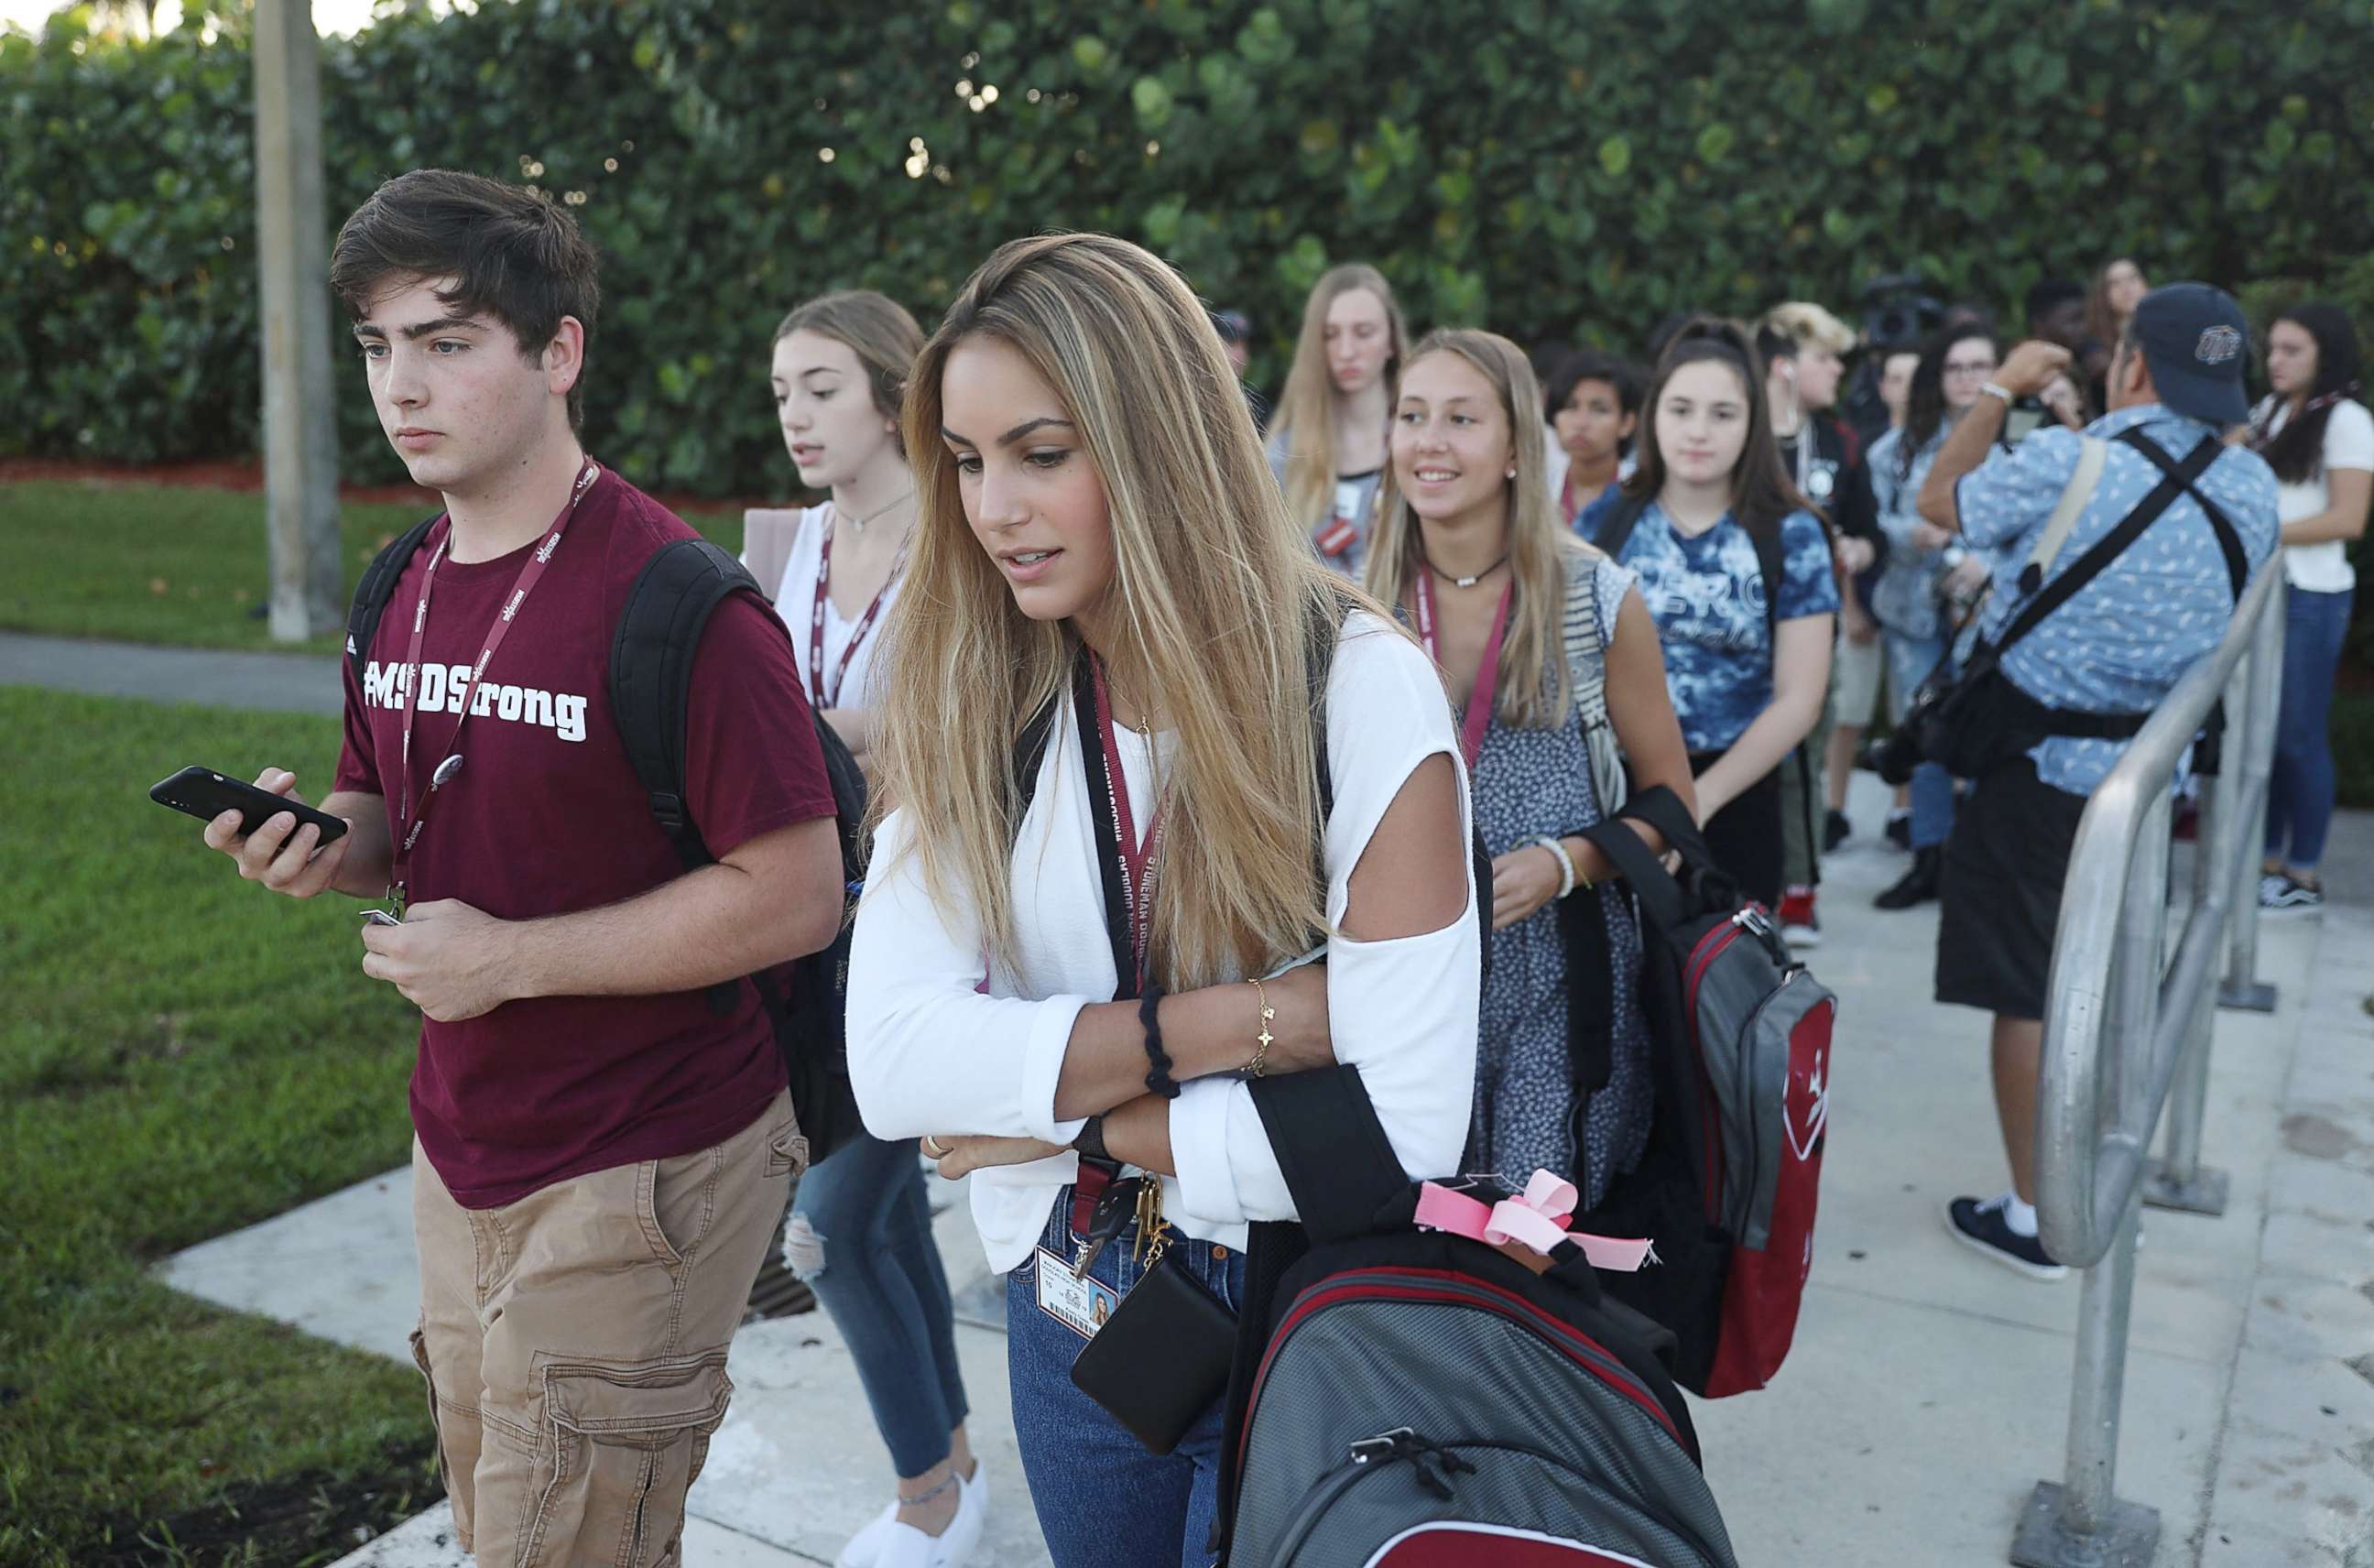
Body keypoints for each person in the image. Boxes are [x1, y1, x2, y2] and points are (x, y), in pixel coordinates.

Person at [198, 169, 843, 1560]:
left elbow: (797, 892)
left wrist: (508, 960)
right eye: (378, 347)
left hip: (647, 1158)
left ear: (559, 352)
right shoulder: (401, 580)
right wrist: (320, 848)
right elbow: (387, 814)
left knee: (561, 1540)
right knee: (519, 1521)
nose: (401, 386)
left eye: (447, 342)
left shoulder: (683, 606)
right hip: (465, 1143)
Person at [844, 233, 1479, 1568]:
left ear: (1159, 441)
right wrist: (1249, 1020)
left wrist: (1062, 1120)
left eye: (1042, 453)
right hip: (1070, 1304)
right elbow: (894, 1067)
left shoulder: (1358, 687)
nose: (993, 508)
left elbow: (1403, 1131)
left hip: (1303, 1299)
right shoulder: (979, 689)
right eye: (964, 462)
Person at [1917, 285, 2279, 1279]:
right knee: (2114, 977)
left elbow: (1938, 501)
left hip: (2035, 772)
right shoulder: (2251, 489)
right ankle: (2100, 1182)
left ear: (2132, 364)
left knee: (2030, 994)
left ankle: (2040, 1215)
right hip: (2150, 783)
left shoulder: (2072, 461)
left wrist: (2000, 387)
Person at [746, 289, 991, 1568]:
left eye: (821, 386)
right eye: (783, 389)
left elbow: (982, 734)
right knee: (884, 1224)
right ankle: (952, 1461)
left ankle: (928, 1503)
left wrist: (816, 739)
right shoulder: (780, 550)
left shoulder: (962, 540)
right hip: (808, 937)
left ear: (895, 394)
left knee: (829, 1230)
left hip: (939, 929)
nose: (795, 413)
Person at [1367, 327, 1693, 1203]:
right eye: (1412, 416)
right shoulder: (1349, 605)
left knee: (1530, 1234)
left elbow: (1672, 806)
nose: (1429, 441)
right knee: (1410, 1231)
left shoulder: (1596, 599)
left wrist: (1567, 863)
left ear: (1517, 446)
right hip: (1401, 980)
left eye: (1461, 419)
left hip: (1558, 973)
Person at [1599, 319, 1839, 909]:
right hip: (1615, 793)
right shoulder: (1609, 520)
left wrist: (1694, 802)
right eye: (1681, 409)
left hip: (1737, 796)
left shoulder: (1793, 533)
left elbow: (1800, 699)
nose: (1698, 431)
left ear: (1753, 422)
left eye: (1723, 414)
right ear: (1654, 415)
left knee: (1724, 992)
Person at [1865, 326, 2005, 909]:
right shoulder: (1896, 448)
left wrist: (1986, 559)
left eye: (1981, 365)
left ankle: (1976, 865)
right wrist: (1914, 533)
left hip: (1987, 614)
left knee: (1984, 735)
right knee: (1920, 732)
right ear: (1937, 377)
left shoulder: (2015, 444)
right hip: (1913, 609)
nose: (1969, 378)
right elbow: (1878, 518)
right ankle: (1928, 859)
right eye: (1956, 367)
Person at [1758, 301, 1883, 946]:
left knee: (1804, 755)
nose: (1838, 369)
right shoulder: (1737, 429)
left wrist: (1859, 553)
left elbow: (1870, 530)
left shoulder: (1839, 440)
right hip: (1740, 631)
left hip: (1814, 629)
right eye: (1825, 357)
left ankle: (1800, 892)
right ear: (1783, 366)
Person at [2250, 303, 2371, 911]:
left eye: (2291, 350)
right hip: (2265, 595)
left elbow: (2348, 519)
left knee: (2299, 735)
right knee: (2265, 734)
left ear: (2325, 353)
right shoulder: (2270, 412)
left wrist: (2261, 531)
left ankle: (2304, 874)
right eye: (2272, 348)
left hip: (2312, 595)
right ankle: (2268, 863)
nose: (2275, 361)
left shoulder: (2347, 419)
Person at [1824, 346, 1922, 850]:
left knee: (1909, 712)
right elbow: (1848, 531)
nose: (1906, 386)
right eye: (1896, 376)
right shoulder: (1861, 447)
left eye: (1914, 376)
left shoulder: (1933, 445)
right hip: (1863, 596)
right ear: (1882, 386)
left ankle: (1904, 810)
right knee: (1849, 709)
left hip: (1914, 603)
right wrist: (1850, 606)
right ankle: (1834, 807)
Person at [1264, 263, 1409, 577]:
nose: (1346, 351)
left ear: (1392, 341)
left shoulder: (1421, 443)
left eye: (1363, 333)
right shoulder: (1283, 454)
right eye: (1330, 335)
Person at [1548, 348, 1642, 530]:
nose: (1581, 423)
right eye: (1570, 407)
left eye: (1600, 410)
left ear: (1627, 423)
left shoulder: (1644, 493)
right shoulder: (1535, 488)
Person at [1211, 307, 1270, 429]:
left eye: (1244, 346)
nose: (1240, 354)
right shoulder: (1194, 399)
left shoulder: (1257, 407)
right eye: (1231, 344)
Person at [2085, 257, 2150, 359]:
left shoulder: (2167, 325)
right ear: (2104, 294)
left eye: (2132, 278)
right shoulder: (2096, 347)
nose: (2126, 288)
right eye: (2115, 283)